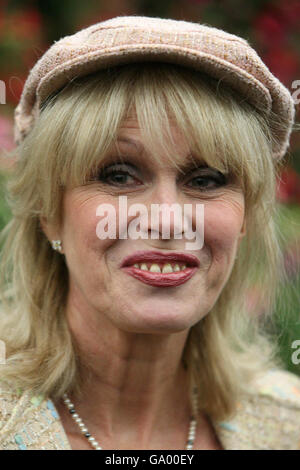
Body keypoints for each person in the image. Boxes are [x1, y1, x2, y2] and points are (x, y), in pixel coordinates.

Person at [0, 15, 299, 451]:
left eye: (207, 179)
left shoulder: (286, 427)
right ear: (49, 212)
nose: (166, 219)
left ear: (246, 217)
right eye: (119, 175)